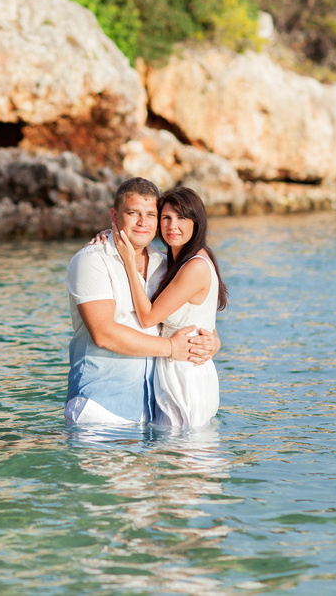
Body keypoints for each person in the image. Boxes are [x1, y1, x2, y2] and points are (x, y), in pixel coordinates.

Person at [65, 178, 220, 426]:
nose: (142, 223)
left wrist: (211, 342)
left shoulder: (165, 265)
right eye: (133, 213)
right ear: (114, 217)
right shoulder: (92, 260)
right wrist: (172, 348)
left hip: (150, 412)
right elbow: (104, 334)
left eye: (150, 214)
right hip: (100, 407)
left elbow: (195, 315)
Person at [113, 186, 228, 427]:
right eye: (166, 217)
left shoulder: (195, 267)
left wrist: (128, 262)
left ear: (197, 222)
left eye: (181, 217)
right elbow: (205, 323)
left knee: (184, 457)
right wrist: (214, 342)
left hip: (185, 377)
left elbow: (147, 318)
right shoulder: (184, 261)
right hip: (180, 371)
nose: (172, 225)